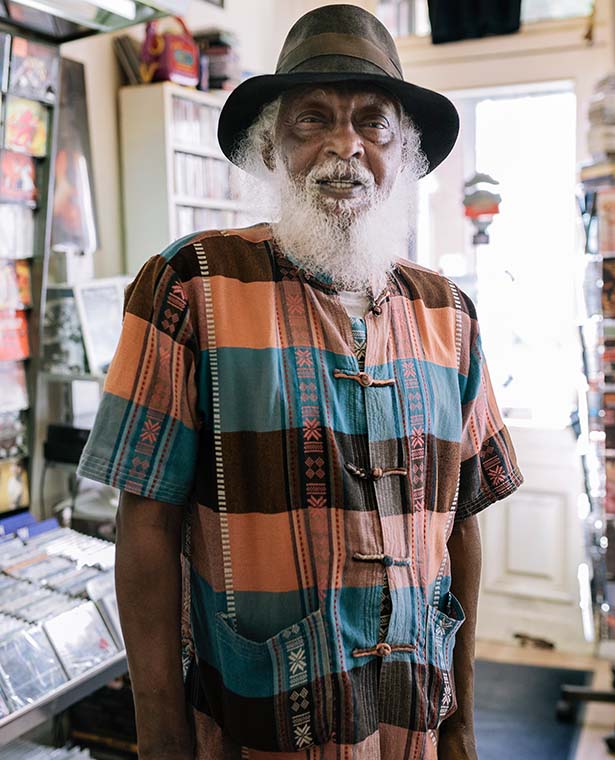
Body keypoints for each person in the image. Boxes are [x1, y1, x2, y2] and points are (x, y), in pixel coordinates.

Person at [77, 5, 523, 759]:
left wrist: (462, 720)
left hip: (408, 723)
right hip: (260, 728)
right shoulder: (190, 286)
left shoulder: (449, 312)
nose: (343, 146)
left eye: (372, 122)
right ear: (270, 146)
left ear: (404, 151)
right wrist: (160, 735)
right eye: (312, 119)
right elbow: (144, 526)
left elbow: (463, 522)